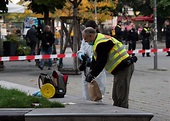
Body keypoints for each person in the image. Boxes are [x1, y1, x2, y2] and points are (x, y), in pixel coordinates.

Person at [82, 27, 137, 108]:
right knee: (116, 96)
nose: (85, 41)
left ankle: (123, 115)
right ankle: (117, 113)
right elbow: (95, 59)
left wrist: (92, 74)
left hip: (124, 68)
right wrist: (90, 70)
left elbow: (101, 62)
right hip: (119, 69)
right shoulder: (98, 41)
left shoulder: (102, 42)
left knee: (121, 96)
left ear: (90, 35)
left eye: (85, 38)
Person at [77, 20, 106, 100]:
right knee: (86, 87)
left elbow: (100, 55)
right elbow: (82, 49)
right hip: (87, 67)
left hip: (96, 67)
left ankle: (98, 101)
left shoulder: (100, 40)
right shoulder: (85, 39)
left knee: (98, 86)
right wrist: (81, 55)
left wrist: (92, 59)